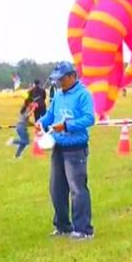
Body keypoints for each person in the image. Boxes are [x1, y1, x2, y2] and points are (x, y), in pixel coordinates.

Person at [36, 61, 96, 240]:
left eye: (62, 79)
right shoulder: (58, 95)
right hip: (58, 147)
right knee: (56, 189)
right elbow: (50, 116)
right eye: (57, 80)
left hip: (76, 149)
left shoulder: (83, 95)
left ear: (72, 76)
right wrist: (41, 123)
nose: (59, 83)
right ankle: (63, 226)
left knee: (77, 189)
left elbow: (89, 119)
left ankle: (84, 230)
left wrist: (67, 126)